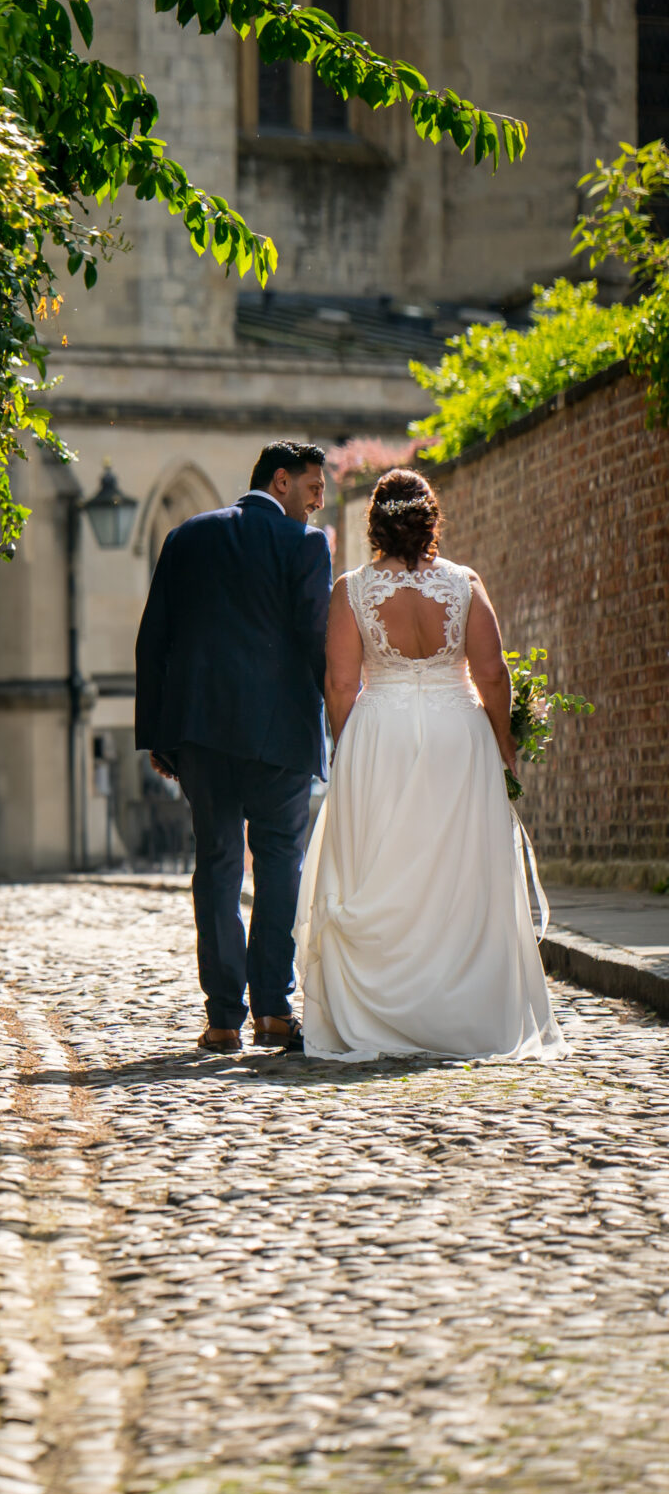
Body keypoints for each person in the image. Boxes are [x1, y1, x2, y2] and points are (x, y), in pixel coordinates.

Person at [293, 469, 562, 1060]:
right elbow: (491, 675)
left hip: (380, 733)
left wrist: (347, 749)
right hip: (456, 737)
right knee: (460, 871)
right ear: (430, 520)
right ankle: (463, 1009)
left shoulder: (353, 589)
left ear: (375, 523)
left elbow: (340, 684)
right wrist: (503, 743)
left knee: (388, 867)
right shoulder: (463, 584)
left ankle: (383, 1008)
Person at [134, 441, 333, 1053]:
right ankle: (273, 1009)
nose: (317, 505)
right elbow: (313, 637)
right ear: (280, 482)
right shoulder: (305, 546)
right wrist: (337, 715)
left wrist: (159, 737)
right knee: (280, 866)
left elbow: (154, 643)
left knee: (217, 866)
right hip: (281, 737)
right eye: (312, 491)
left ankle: (223, 1018)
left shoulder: (186, 537)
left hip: (202, 735)